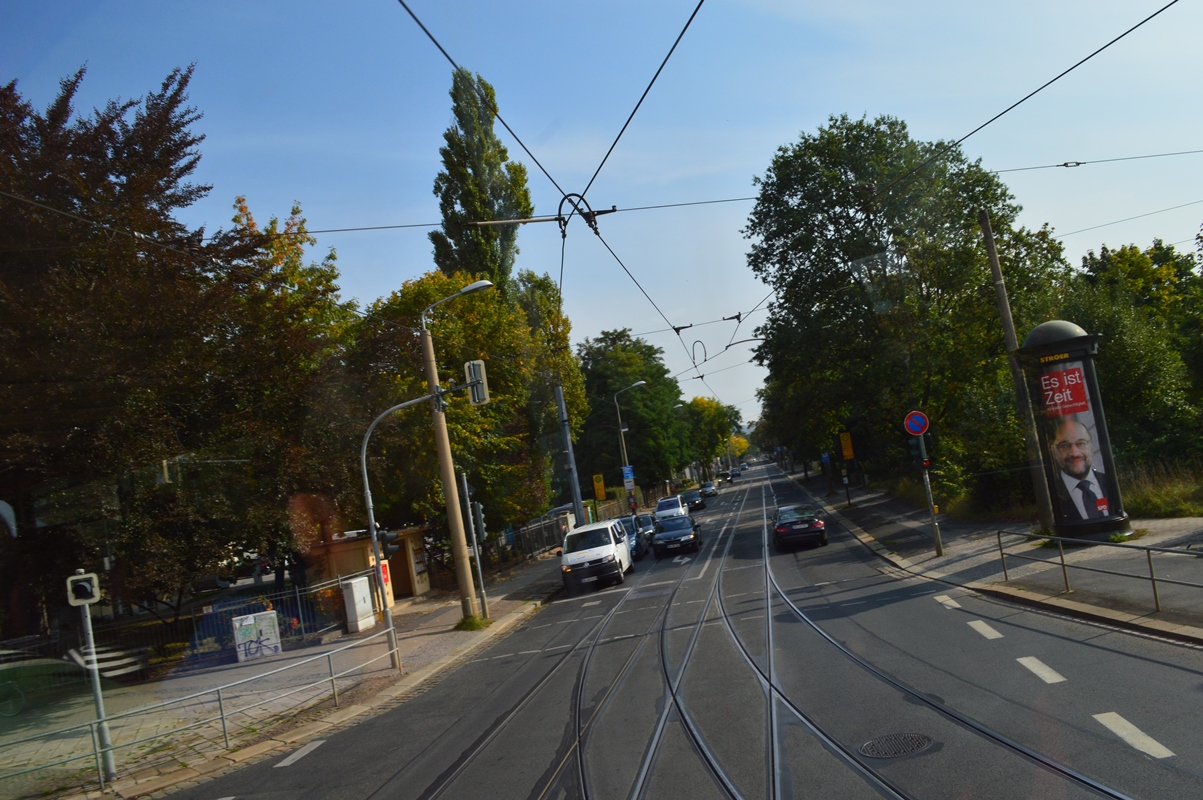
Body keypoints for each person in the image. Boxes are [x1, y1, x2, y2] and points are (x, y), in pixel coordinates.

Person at [1048, 418, 1111, 521]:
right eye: (1064, 446)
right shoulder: (1050, 493)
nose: (1075, 453)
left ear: (1091, 446)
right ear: (1054, 452)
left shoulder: (1110, 482)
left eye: (1081, 443)